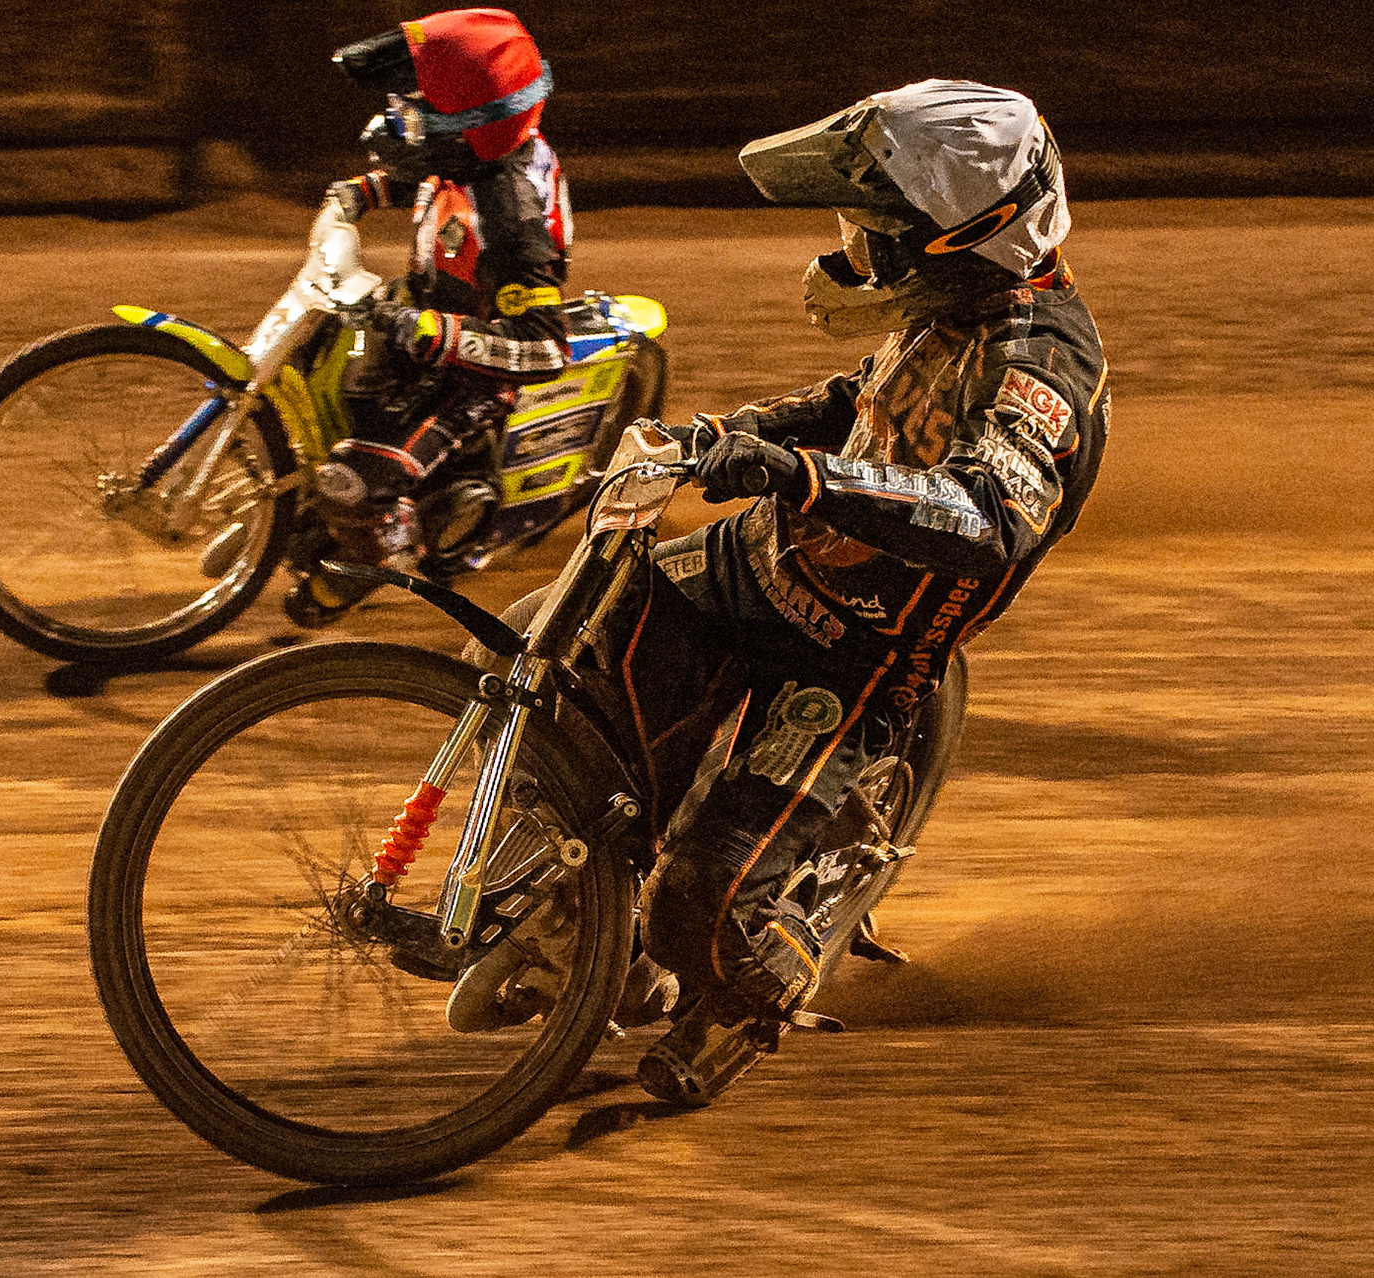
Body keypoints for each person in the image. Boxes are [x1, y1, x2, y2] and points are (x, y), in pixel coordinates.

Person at [628, 79, 1110, 1102]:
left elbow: (987, 515)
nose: (856, 250)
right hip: (757, 565)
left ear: (965, 233)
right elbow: (859, 398)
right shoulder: (956, 306)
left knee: (695, 907)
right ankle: (579, 895)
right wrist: (721, 437)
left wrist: (801, 474)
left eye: (877, 230)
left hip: (861, 655)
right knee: (572, 651)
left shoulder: (1041, 364)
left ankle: (754, 987)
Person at [284, 8, 574, 627]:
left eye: (426, 108)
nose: (408, 115)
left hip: (471, 369)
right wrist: (358, 194)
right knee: (316, 364)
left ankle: (382, 552)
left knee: (361, 483)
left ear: (478, 123)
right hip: (416, 311)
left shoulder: (514, 222)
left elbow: (546, 349)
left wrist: (427, 332)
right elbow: (417, 174)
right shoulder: (472, 154)